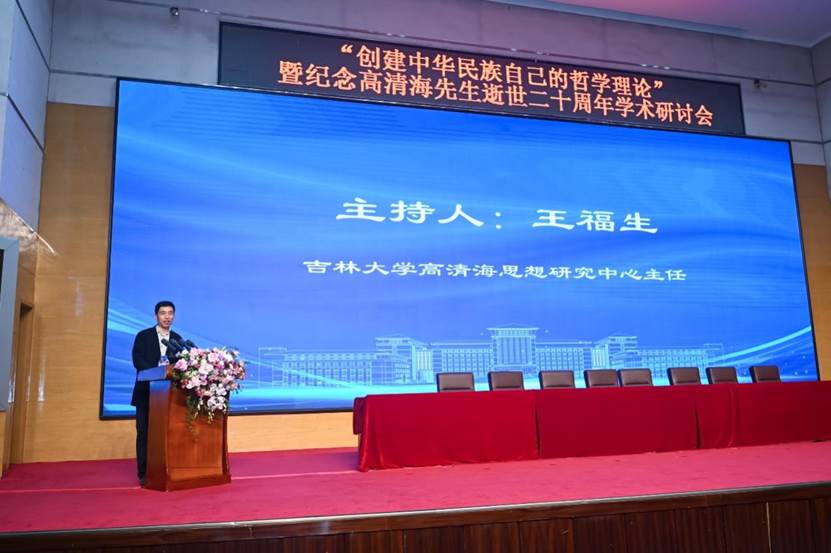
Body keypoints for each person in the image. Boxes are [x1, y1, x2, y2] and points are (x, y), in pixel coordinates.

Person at [131, 300, 182, 485]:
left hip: (168, 397)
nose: (167, 317)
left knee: (166, 435)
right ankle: (144, 473)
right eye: (163, 313)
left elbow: (180, 365)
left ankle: (165, 470)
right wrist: (158, 373)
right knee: (144, 433)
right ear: (156, 316)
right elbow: (138, 360)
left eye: (170, 313)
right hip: (146, 393)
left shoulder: (177, 339)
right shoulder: (143, 336)